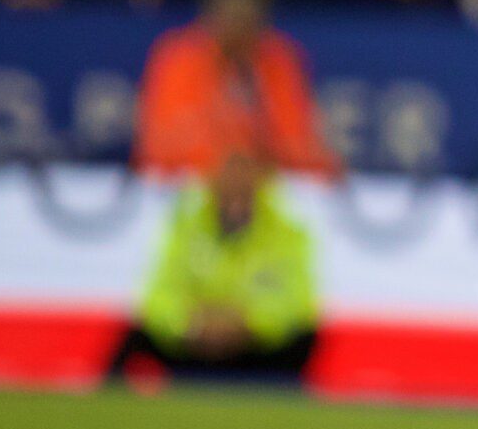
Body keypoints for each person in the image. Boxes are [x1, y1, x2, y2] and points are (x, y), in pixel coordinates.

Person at [105, 153, 320, 384]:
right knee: (136, 336)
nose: (235, 195)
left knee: (304, 339)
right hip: (193, 343)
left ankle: (285, 393)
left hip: (254, 348)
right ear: (213, 186)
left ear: (260, 188)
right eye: (228, 186)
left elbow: (297, 303)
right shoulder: (187, 227)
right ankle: (110, 394)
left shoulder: (287, 233)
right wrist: (192, 322)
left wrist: (247, 323)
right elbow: (158, 296)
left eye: (244, 189)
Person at [135, 0, 342, 177]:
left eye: (247, 22)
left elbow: (299, 140)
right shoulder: (179, 55)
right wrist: (225, 161)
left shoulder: (279, 57)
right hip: (190, 180)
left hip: (265, 180)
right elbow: (160, 144)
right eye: (231, 19)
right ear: (209, 18)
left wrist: (258, 153)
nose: (238, 31)